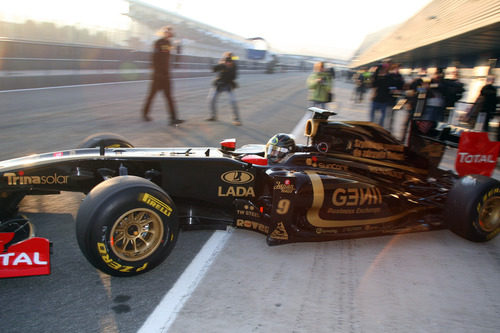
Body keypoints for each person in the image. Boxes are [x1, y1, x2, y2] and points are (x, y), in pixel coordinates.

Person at [141, 26, 183, 126]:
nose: (169, 33)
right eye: (167, 31)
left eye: (170, 32)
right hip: (158, 75)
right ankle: (145, 113)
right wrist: (157, 72)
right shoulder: (159, 42)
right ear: (163, 32)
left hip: (166, 75)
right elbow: (154, 58)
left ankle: (173, 118)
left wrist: (179, 47)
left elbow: (173, 54)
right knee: (151, 95)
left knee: (169, 97)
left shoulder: (168, 43)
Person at [207, 52, 241, 126]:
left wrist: (228, 69)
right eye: (226, 61)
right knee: (211, 99)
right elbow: (213, 70)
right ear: (225, 61)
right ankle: (213, 116)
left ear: (232, 62)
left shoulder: (234, 67)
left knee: (233, 101)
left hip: (228, 85)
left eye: (229, 61)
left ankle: (236, 119)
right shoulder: (222, 65)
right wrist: (216, 65)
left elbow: (234, 77)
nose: (228, 63)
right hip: (219, 84)